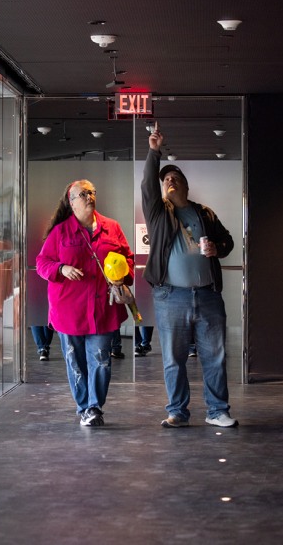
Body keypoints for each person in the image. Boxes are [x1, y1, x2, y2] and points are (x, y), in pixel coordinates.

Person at [142, 124, 238, 428]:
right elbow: (148, 185)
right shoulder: (159, 213)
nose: (169, 181)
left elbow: (228, 242)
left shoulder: (204, 213)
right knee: (173, 359)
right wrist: (153, 152)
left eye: (174, 178)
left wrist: (217, 250)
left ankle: (217, 411)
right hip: (171, 296)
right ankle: (178, 413)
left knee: (215, 357)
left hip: (208, 295)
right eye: (165, 179)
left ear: (184, 185)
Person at [36, 180, 134, 427]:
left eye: (91, 192)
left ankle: (94, 407)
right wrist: (62, 267)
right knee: (76, 362)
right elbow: (42, 263)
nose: (89, 196)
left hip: (103, 309)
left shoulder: (112, 228)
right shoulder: (60, 232)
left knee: (101, 360)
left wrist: (124, 276)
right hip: (69, 310)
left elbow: (128, 259)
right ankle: (83, 407)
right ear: (72, 202)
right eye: (83, 193)